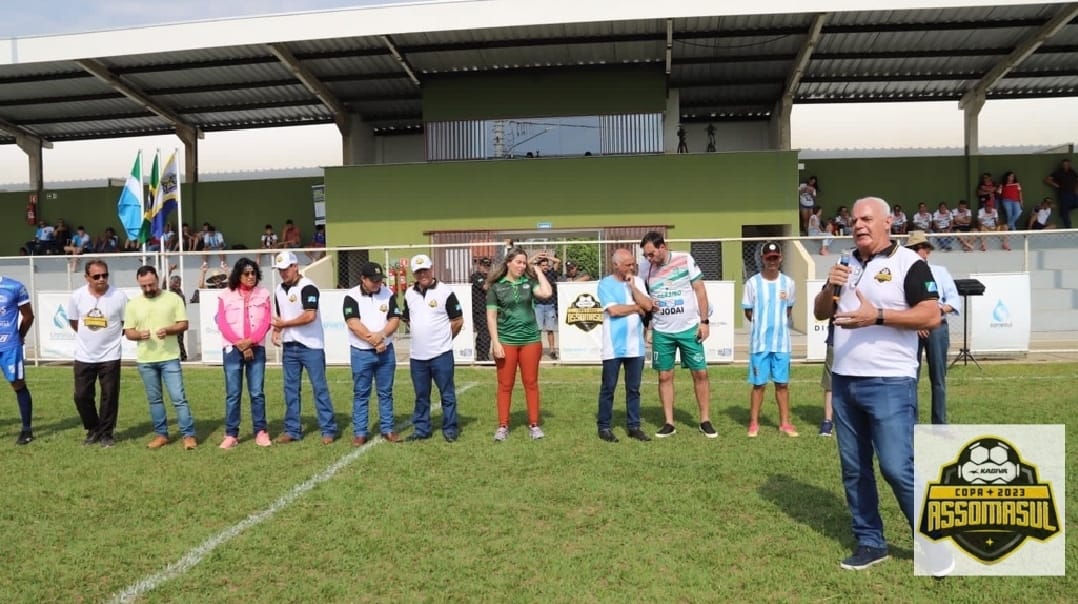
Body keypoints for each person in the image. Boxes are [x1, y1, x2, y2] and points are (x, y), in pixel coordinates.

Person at [812, 196, 940, 571]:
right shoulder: (844, 264)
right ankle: (871, 541)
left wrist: (878, 316)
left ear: (888, 223)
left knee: (897, 466)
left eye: (867, 219)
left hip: (889, 382)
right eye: (853, 220)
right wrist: (828, 288)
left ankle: (934, 540)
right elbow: (822, 312)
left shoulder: (909, 264)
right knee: (854, 468)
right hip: (845, 381)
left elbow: (930, 315)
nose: (859, 225)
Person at [634, 231, 716, 438]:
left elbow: (700, 290)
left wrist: (704, 322)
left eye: (651, 254)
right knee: (664, 376)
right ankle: (669, 423)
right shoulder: (645, 268)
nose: (648, 259)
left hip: (689, 328)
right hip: (662, 331)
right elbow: (642, 297)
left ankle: (705, 420)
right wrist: (649, 326)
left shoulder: (685, 259)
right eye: (646, 255)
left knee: (700, 373)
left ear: (662, 247)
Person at [124, 265, 197, 450]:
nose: (148, 289)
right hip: (145, 360)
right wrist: (139, 335)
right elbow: (128, 332)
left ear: (157, 279)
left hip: (170, 357)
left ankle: (188, 435)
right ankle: (161, 434)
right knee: (154, 400)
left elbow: (184, 324)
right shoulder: (133, 304)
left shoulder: (173, 299)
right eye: (144, 286)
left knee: (178, 398)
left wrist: (170, 329)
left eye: (151, 284)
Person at [486, 246, 553, 441]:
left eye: (525, 263)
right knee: (505, 385)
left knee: (531, 383)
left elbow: (547, 292)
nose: (522, 266)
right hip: (506, 342)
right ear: (508, 263)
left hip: (531, 341)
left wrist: (538, 270)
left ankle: (534, 425)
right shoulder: (496, 287)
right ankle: (503, 426)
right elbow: (491, 317)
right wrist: (496, 343)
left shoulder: (529, 283)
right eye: (519, 262)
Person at [271, 251, 338, 444]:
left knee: (319, 388)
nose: (283, 273)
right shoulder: (278, 289)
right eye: (280, 270)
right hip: (290, 346)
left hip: (311, 346)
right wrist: (276, 331)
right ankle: (292, 430)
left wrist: (284, 325)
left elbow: (310, 316)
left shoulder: (309, 287)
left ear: (295, 266)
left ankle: (328, 429)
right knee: (290, 390)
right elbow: (280, 316)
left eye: (285, 269)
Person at [402, 254, 463, 442]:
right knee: (421, 395)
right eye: (418, 272)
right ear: (414, 273)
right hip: (417, 356)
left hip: (441, 354)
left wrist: (444, 339)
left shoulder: (445, 291)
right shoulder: (409, 293)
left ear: (432, 269)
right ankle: (421, 429)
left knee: (447, 393)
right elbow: (406, 318)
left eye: (425, 270)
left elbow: (458, 321)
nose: (423, 274)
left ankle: (450, 428)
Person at [66, 260, 127, 448]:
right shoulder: (77, 296)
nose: (102, 279)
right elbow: (74, 321)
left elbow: (125, 324)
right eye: (96, 276)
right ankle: (93, 428)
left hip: (110, 355)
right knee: (81, 395)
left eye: (105, 275)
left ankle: (107, 433)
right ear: (87, 278)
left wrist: (110, 339)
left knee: (109, 395)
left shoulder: (119, 296)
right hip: (84, 355)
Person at [215, 258, 273, 449]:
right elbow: (222, 323)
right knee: (233, 393)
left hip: (256, 348)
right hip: (232, 349)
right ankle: (231, 434)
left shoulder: (264, 294)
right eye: (246, 274)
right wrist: (240, 344)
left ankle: (261, 432)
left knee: (257, 392)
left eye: (253, 273)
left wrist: (250, 342)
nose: (251, 277)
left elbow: (266, 322)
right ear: (238, 275)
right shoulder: (225, 295)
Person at [343, 262, 403, 445]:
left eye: (379, 280)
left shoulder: (388, 294)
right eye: (373, 280)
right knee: (361, 393)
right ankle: (360, 432)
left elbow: (394, 319)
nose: (378, 284)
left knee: (385, 392)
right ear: (363, 279)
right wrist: (374, 340)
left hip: (386, 351)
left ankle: (388, 429)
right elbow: (353, 323)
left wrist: (382, 336)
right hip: (361, 352)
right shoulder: (351, 296)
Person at [742, 241, 798, 438]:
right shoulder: (752, 283)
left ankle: (784, 423)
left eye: (775, 258)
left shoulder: (789, 283)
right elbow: (749, 311)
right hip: (760, 343)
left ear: (780, 259)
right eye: (769, 258)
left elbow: (788, 309)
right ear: (763, 259)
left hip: (782, 343)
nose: (772, 261)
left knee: (782, 384)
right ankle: (754, 423)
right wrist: (761, 324)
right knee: (759, 385)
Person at [595, 248, 650, 443]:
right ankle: (604, 426)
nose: (631, 267)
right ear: (616, 265)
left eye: (633, 263)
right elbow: (614, 310)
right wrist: (636, 307)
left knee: (634, 389)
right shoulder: (605, 284)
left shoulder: (639, 282)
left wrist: (634, 288)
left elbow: (648, 306)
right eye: (627, 264)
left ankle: (634, 426)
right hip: (613, 346)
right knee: (608, 387)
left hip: (636, 346)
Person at [905, 231, 960, 426]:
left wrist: (933, 313)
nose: (914, 252)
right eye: (911, 249)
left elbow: (953, 299)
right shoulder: (904, 273)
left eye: (917, 249)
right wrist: (917, 320)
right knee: (911, 377)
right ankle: (912, 421)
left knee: (938, 378)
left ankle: (939, 423)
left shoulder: (940, 271)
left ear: (926, 251)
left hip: (937, 327)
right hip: (913, 329)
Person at [0, 275, 35, 445]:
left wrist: (19, 336)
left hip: (9, 346)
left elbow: (28, 316)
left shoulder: (14, 287)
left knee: (18, 384)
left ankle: (26, 430)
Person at [533, 255, 560, 359]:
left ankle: (552, 350)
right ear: (539, 266)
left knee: (550, 329)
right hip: (538, 305)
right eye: (543, 265)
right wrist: (537, 257)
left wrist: (547, 256)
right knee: (538, 330)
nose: (545, 267)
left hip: (550, 305)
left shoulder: (551, 273)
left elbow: (557, 261)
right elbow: (529, 264)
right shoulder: (536, 275)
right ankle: (537, 351)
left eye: (546, 265)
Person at [470, 256, 492, 361]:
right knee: (484, 333)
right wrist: (491, 279)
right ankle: (483, 355)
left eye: (488, 266)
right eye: (484, 266)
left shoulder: (488, 277)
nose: (486, 268)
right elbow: (486, 287)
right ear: (479, 266)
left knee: (485, 333)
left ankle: (482, 355)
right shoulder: (476, 276)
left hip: (488, 309)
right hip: (479, 310)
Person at [1044, 158, 1077, 229]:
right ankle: (1069, 229)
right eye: (1064, 164)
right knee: (1065, 213)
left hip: (1073, 194)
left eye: (1067, 164)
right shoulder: (1058, 172)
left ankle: (1067, 208)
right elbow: (1047, 180)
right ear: (1062, 165)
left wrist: (1076, 190)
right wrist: (1057, 185)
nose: (1066, 166)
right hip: (1064, 194)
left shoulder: (1072, 172)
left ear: (1069, 164)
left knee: (1067, 208)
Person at [165, 268, 188, 361]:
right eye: (174, 282)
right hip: (169, 320)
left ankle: (183, 356)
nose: (174, 284)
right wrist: (169, 270)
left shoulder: (179, 295)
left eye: (176, 282)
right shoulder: (168, 292)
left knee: (179, 340)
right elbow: (164, 283)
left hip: (178, 320)